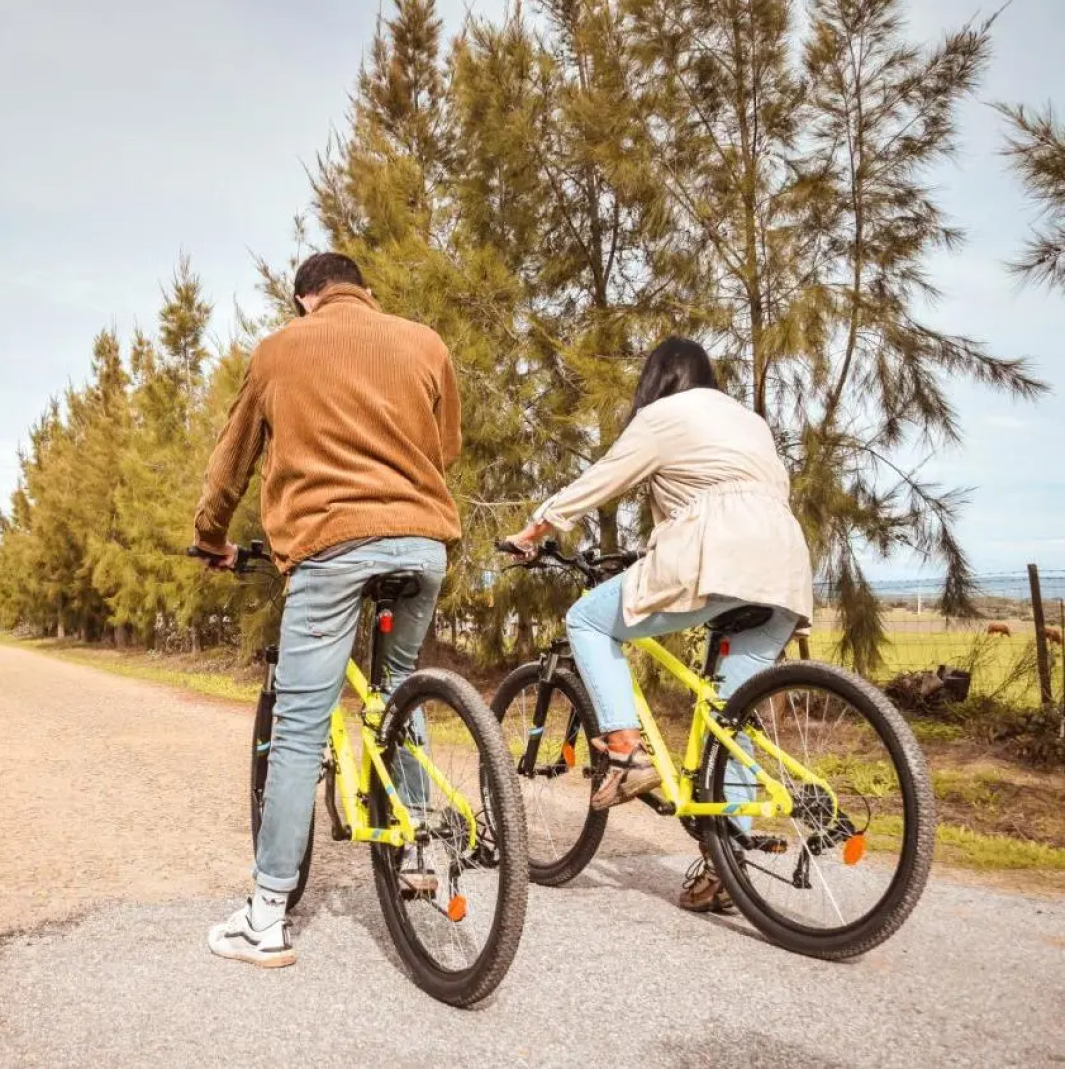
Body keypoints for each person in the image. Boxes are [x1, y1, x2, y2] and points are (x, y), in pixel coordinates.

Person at [191, 252, 463, 967]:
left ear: (303, 299)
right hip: (424, 543)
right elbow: (446, 449)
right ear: (363, 291)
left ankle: (266, 917)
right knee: (398, 690)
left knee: (300, 727)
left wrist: (210, 538)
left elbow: (231, 462)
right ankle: (417, 851)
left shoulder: (278, 351)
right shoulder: (424, 342)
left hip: (329, 545)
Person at [504, 336, 813, 913]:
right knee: (731, 715)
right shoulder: (749, 423)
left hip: (719, 551)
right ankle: (728, 863)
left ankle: (626, 752)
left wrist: (537, 527)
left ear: (658, 380)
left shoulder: (664, 414)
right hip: (785, 566)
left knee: (587, 620)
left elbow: (604, 478)